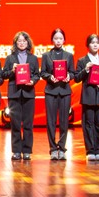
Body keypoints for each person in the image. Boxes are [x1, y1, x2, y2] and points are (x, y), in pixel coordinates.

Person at [1, 31, 40, 161]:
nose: (22, 43)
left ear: (28, 43)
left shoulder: (33, 58)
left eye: (24, 41)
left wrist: (33, 81)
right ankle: (16, 151)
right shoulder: (10, 58)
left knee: (28, 123)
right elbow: (4, 74)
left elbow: (37, 75)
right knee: (15, 124)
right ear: (15, 43)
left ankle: (27, 150)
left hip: (28, 93)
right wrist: (12, 71)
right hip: (14, 93)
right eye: (19, 41)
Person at [75, 34, 99, 161]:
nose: (95, 45)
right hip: (88, 97)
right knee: (88, 124)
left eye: (97, 42)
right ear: (88, 45)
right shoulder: (82, 61)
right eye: (92, 42)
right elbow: (76, 78)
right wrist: (86, 69)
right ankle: (90, 150)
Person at [41, 28, 75, 161]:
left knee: (64, 121)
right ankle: (53, 149)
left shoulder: (69, 55)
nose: (58, 41)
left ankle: (62, 148)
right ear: (52, 40)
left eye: (60, 38)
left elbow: (73, 72)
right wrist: (50, 77)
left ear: (64, 40)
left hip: (65, 91)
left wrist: (69, 76)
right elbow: (43, 73)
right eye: (56, 38)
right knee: (51, 121)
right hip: (51, 91)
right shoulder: (46, 55)